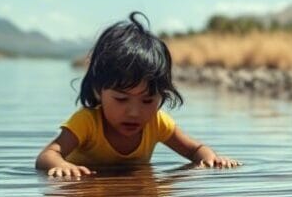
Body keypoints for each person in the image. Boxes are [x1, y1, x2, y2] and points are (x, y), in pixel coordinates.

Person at [36, 12, 239, 179]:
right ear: (98, 90)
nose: (134, 112)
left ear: (161, 96)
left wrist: (212, 159)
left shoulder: (157, 123)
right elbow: (47, 155)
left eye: (147, 100)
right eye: (121, 99)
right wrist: (61, 165)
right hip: (89, 195)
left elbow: (194, 150)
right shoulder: (87, 122)